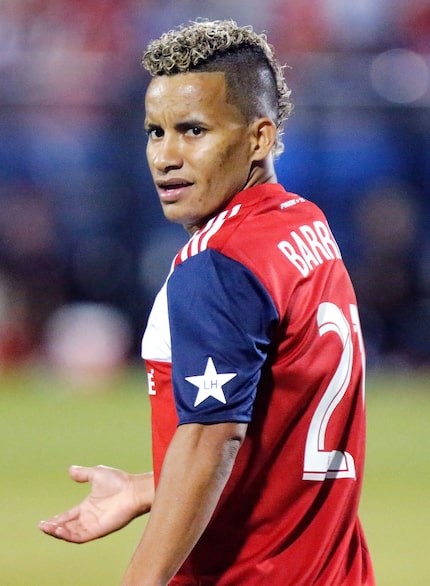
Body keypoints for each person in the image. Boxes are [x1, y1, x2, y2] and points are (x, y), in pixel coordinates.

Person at [39, 19, 375, 585]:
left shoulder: (220, 265)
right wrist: (150, 487)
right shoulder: (304, 224)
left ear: (259, 137)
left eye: (193, 130)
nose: (165, 155)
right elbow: (279, 421)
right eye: (154, 131)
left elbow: (212, 438)